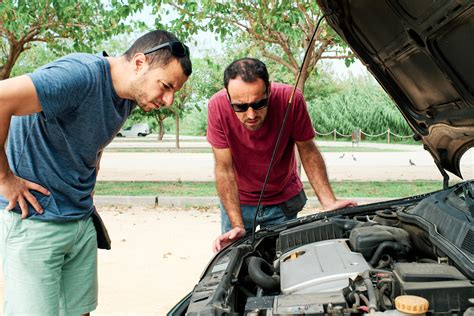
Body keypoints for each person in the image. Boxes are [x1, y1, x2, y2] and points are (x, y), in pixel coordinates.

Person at [0, 30, 192, 315]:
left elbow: (91, 137)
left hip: (79, 219)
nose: (168, 100)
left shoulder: (127, 96)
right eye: (166, 86)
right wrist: (5, 179)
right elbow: (2, 99)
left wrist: (92, 168)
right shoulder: (79, 76)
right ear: (139, 63)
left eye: (174, 91)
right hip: (34, 221)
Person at [207, 58, 356, 253]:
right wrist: (237, 225)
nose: (251, 115)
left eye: (259, 104)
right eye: (241, 107)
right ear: (228, 97)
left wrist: (329, 202)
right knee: (238, 262)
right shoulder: (217, 106)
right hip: (238, 203)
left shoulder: (291, 99)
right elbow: (224, 169)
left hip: (283, 201)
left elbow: (308, 150)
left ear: (268, 90)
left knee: (285, 262)